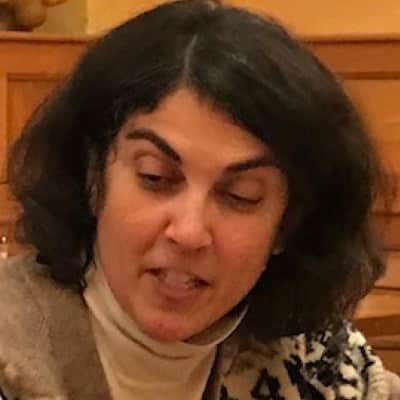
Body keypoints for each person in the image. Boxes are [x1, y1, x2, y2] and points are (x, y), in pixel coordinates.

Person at [0, 0, 399, 399]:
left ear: (288, 224)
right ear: (93, 176)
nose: (189, 232)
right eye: (155, 178)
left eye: (241, 196)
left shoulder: (318, 361)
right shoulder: (12, 347)